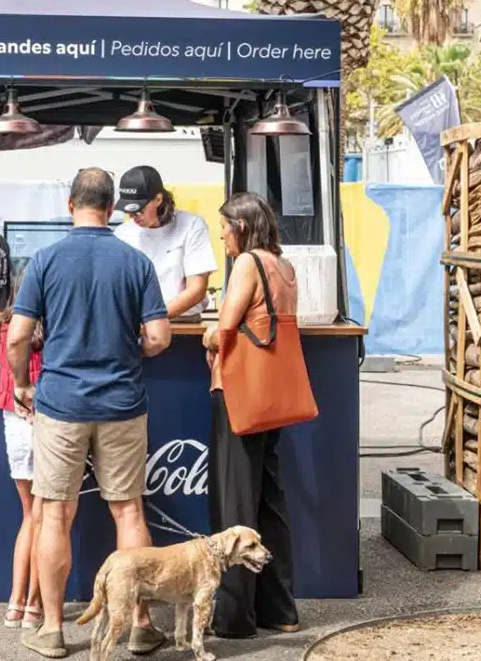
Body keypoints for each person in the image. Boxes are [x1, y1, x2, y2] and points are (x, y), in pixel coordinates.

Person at [8, 167, 172, 658]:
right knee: (128, 510)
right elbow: (160, 338)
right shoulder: (135, 261)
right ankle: (140, 624)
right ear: (109, 208)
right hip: (122, 402)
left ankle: (54, 630)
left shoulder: (45, 260)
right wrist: (129, 350)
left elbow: (17, 335)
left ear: (70, 205)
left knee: (55, 514)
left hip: (60, 403)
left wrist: (21, 383)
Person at [202, 192, 300, 638]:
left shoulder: (247, 264)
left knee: (235, 502)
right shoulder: (285, 265)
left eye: (224, 226)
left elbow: (225, 327)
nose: (221, 234)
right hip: (271, 398)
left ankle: (235, 618)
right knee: (268, 501)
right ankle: (279, 609)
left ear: (240, 226)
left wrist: (208, 340)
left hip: (239, 394)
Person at [0, 266, 44, 631]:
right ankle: (35, 604)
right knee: (51, 518)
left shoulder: (5, 325)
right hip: (52, 419)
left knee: (30, 515)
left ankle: (17, 603)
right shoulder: (59, 329)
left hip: (14, 421)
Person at [114, 165, 217, 320]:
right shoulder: (122, 234)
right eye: (128, 212)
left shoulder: (191, 225)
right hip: (137, 326)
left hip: (182, 325)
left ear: (158, 199)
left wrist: (155, 318)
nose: (134, 216)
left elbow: (196, 289)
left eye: (138, 210)